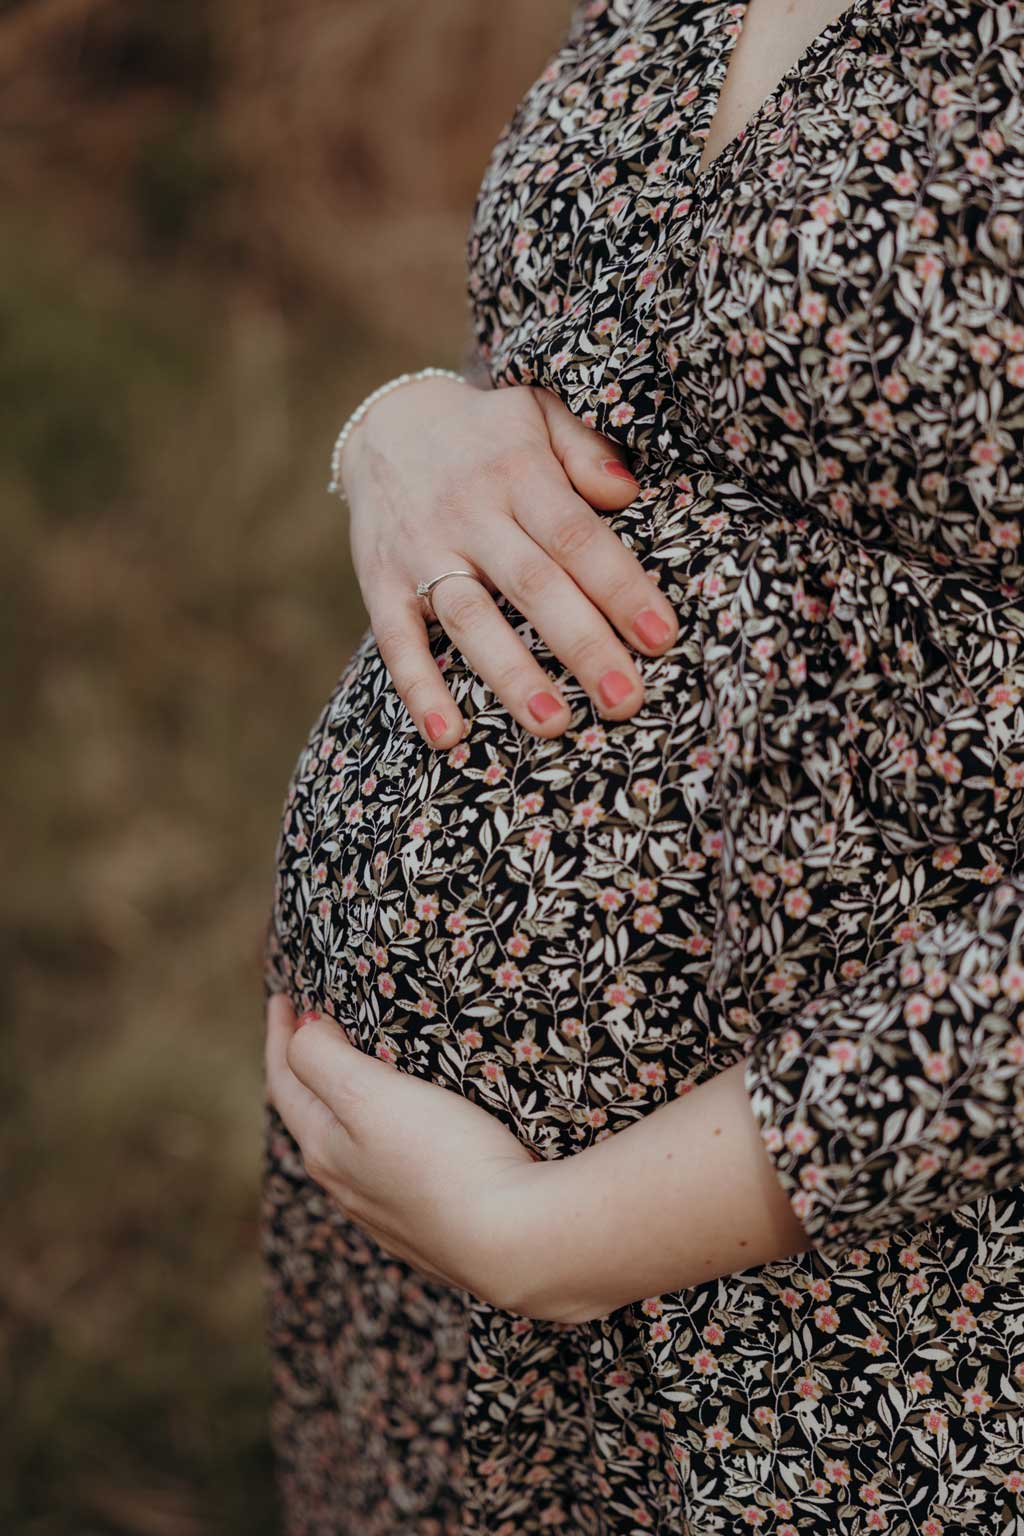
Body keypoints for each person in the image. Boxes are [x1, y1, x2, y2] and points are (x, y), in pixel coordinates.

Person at [262, 0, 1024, 1531]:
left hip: (852, 1285)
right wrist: (399, 425)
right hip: (434, 1253)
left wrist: (557, 1231)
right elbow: (632, 385)